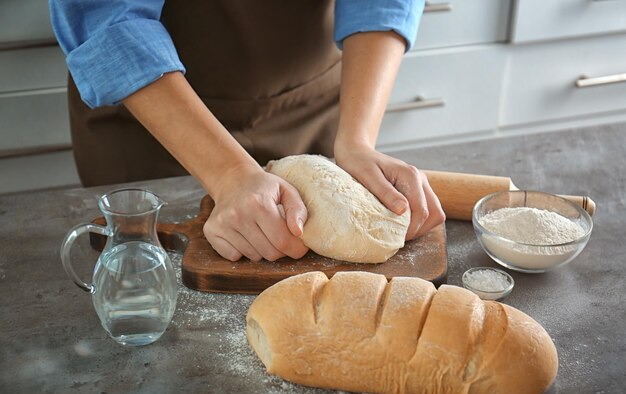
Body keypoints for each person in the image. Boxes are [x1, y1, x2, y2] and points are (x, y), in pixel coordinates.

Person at [50, 0, 445, 262]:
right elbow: (106, 18)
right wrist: (228, 173)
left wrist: (357, 141)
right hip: (152, 113)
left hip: (312, 101)